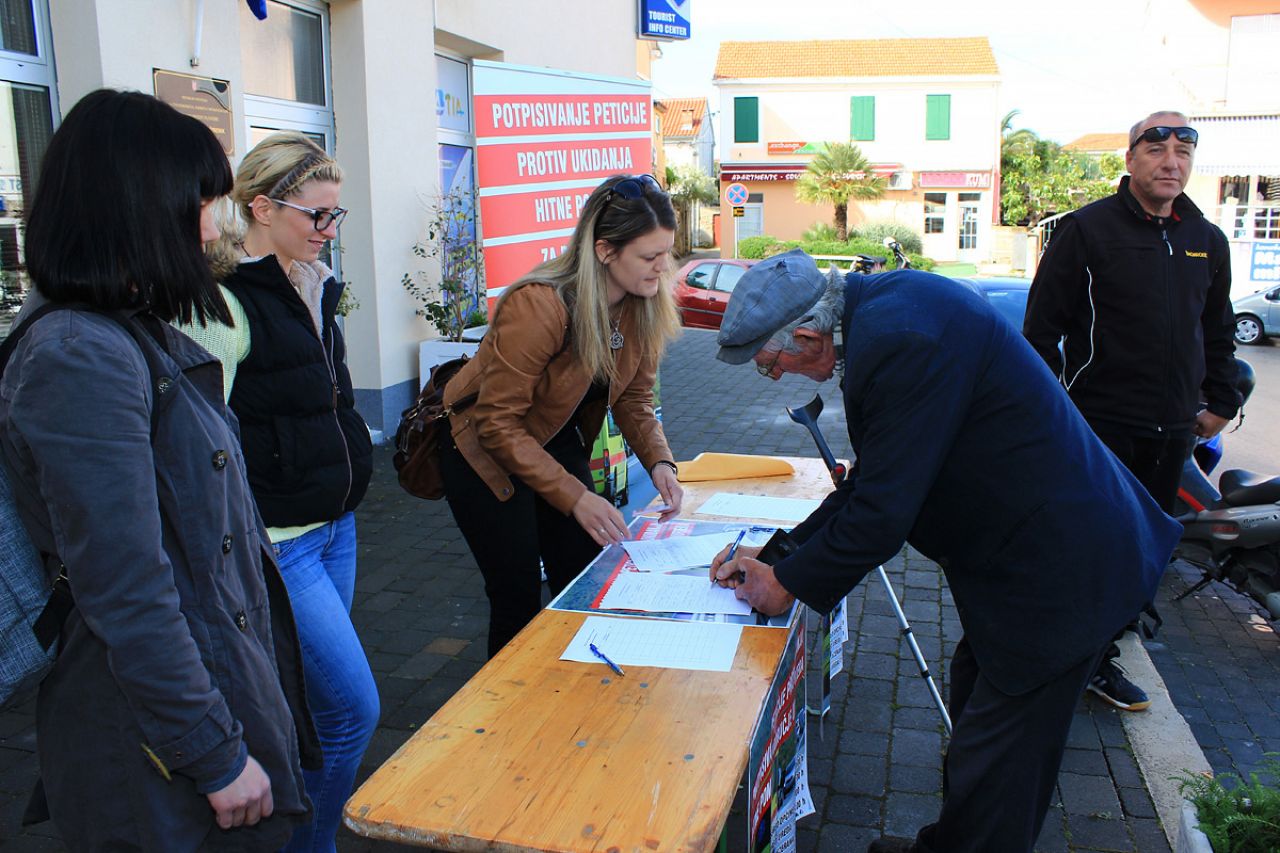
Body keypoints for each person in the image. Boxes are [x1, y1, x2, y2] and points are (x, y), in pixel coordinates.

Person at [709, 250, 1181, 853]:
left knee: (1004, 756)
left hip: (1061, 568)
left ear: (807, 333)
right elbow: (873, 481)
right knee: (975, 707)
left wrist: (788, 584)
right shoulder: (881, 307)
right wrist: (781, 556)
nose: (779, 376)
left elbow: (883, 512)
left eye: (772, 365)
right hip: (1030, 556)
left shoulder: (901, 338)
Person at [0, 89, 319, 849]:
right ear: (139, 207)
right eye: (203, 202)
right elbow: (126, 586)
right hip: (144, 742)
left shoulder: (120, 333)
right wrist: (213, 752)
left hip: (179, 710)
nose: (216, 226)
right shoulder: (80, 353)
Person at [187, 133, 378, 852]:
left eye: (337, 216)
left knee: (315, 706)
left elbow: (329, 397)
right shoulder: (224, 303)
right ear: (261, 208)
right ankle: (312, 843)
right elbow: (207, 434)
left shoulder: (314, 282)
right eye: (316, 216)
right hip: (282, 542)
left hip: (337, 525)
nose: (329, 232)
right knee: (355, 708)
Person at [1024, 110, 1240, 713]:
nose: (1172, 162)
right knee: (1092, 544)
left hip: (1174, 429)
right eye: (1157, 148)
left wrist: (1222, 401)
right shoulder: (1087, 231)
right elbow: (1041, 331)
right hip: (1099, 424)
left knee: (1146, 547)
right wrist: (1053, 413)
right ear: (1131, 159)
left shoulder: (1206, 239)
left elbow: (1217, 331)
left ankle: (1099, 648)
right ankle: (1074, 659)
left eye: (1183, 152)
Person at [438, 173, 685, 657]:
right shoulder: (539, 305)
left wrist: (660, 463)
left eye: (667, 253)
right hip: (480, 452)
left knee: (584, 572)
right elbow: (496, 423)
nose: (664, 269)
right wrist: (576, 497)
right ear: (604, 250)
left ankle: (575, 687)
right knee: (517, 592)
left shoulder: (641, 304)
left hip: (551, 439)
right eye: (650, 257)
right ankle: (511, 711)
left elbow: (634, 398)